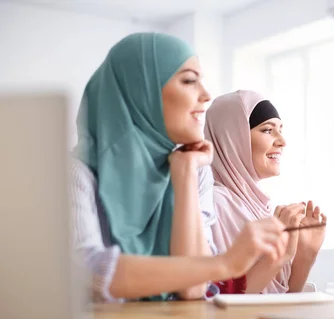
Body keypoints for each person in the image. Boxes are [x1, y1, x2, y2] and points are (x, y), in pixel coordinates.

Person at [72, 32, 288, 302]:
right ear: (142, 90)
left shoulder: (195, 170)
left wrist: (185, 174)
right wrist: (225, 264)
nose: (206, 95)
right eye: (189, 81)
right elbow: (90, 274)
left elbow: (194, 289)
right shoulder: (74, 175)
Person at [205, 90, 327, 294]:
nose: (282, 141)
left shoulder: (260, 207)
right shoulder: (214, 204)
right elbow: (224, 304)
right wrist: (279, 256)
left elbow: (284, 301)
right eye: (268, 130)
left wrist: (306, 253)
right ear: (234, 138)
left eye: (281, 129)